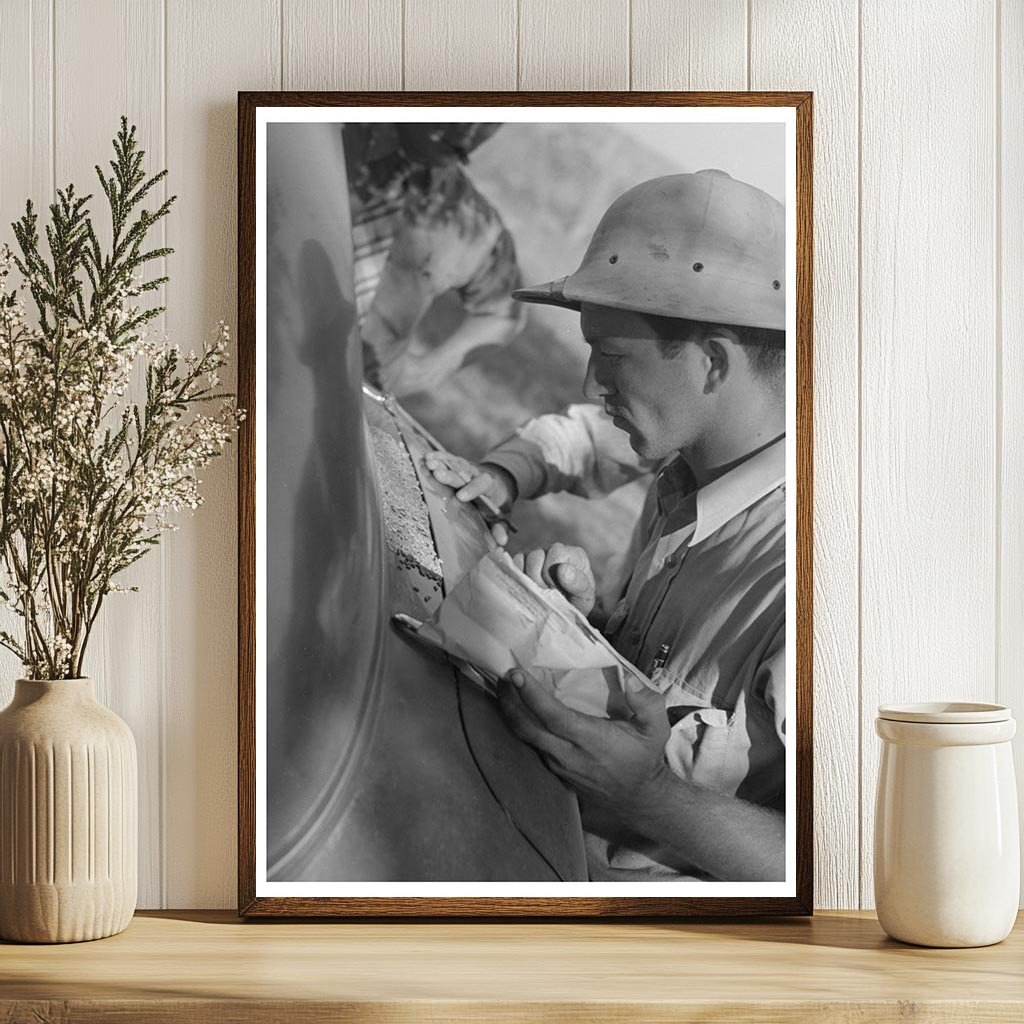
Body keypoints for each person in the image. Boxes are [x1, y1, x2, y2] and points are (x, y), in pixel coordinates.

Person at [425, 169, 788, 882]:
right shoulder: (689, 455)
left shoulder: (821, 578)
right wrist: (587, 628)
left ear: (713, 362)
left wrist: (644, 794)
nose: (592, 383)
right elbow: (587, 437)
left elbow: (846, 866)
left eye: (613, 357)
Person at [344, 123, 525, 396]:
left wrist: (431, 368)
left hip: (347, 400)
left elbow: (507, 309)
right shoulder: (320, 136)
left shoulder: (464, 216)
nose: (469, 131)